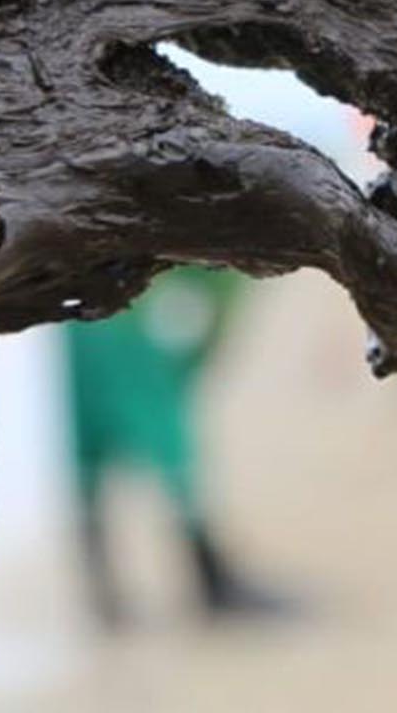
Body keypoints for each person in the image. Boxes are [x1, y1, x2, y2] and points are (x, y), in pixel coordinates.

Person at [59, 268, 295, 627]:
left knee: (96, 432)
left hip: (92, 294)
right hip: (125, 303)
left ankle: (102, 582)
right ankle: (208, 574)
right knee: (162, 429)